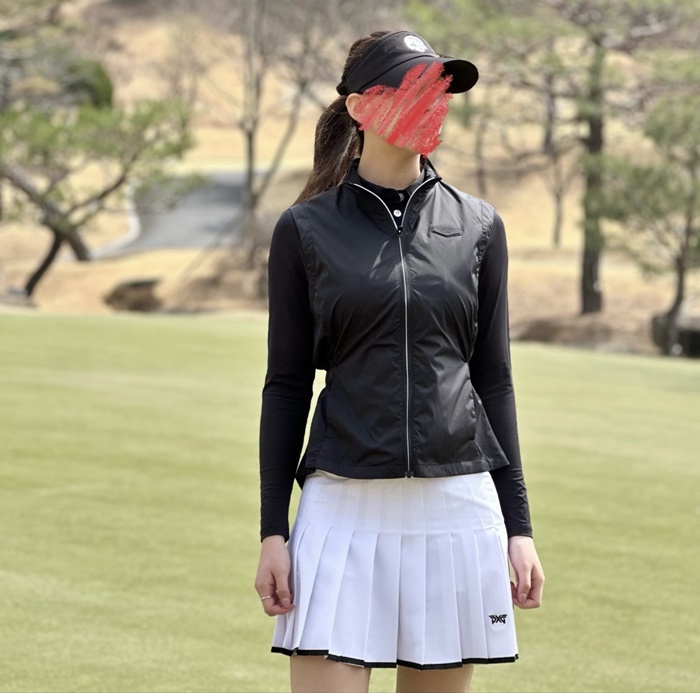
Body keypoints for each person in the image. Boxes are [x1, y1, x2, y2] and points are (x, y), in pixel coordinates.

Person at [254, 29, 545, 693]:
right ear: (360, 108)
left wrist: (519, 527)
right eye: (415, 89)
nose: (434, 105)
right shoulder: (304, 230)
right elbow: (287, 384)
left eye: (440, 92)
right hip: (342, 509)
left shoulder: (478, 226)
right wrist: (273, 529)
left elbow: (493, 381)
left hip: (456, 509)